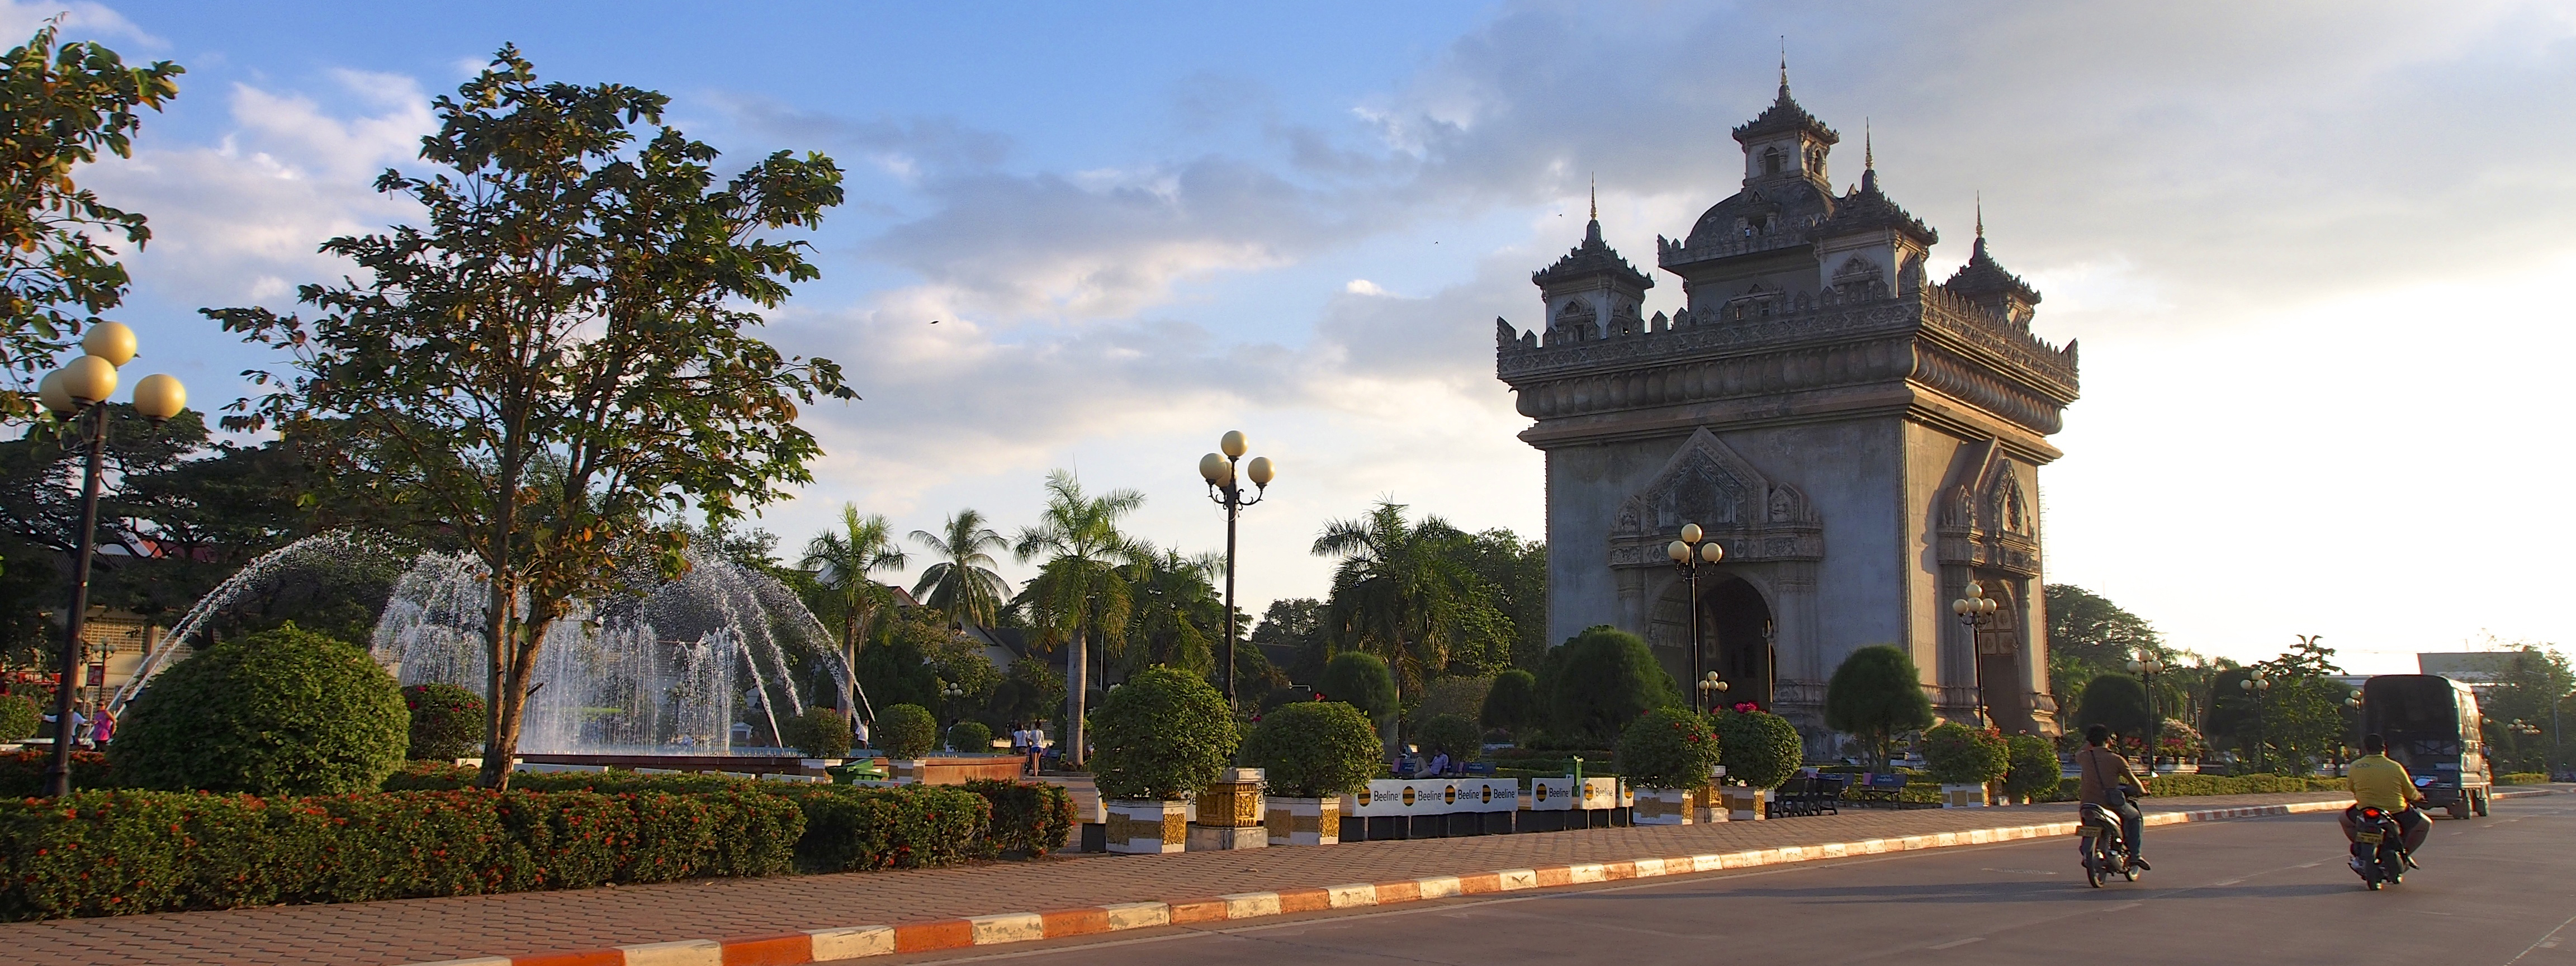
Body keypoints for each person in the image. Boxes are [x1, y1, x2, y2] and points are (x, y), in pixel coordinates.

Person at [2342, 733, 2430, 870]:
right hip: (2396, 811)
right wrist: (2419, 797)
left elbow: (2352, 787)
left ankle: (2361, 848)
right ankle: (2404, 855)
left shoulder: (2355, 766)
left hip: (2365, 809)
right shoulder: (2395, 766)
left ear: (2365, 749)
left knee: (2344, 820)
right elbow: (2409, 791)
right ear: (2384, 749)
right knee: (2425, 825)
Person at [2075, 723, 2149, 870]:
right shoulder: (2116, 759)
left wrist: (2090, 743)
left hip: (2087, 804)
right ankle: (2135, 855)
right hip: (2110, 804)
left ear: (2089, 741)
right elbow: (2134, 781)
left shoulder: (2083, 757)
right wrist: (2143, 790)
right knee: (2135, 818)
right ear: (2108, 739)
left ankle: (2089, 850)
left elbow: (2080, 751)